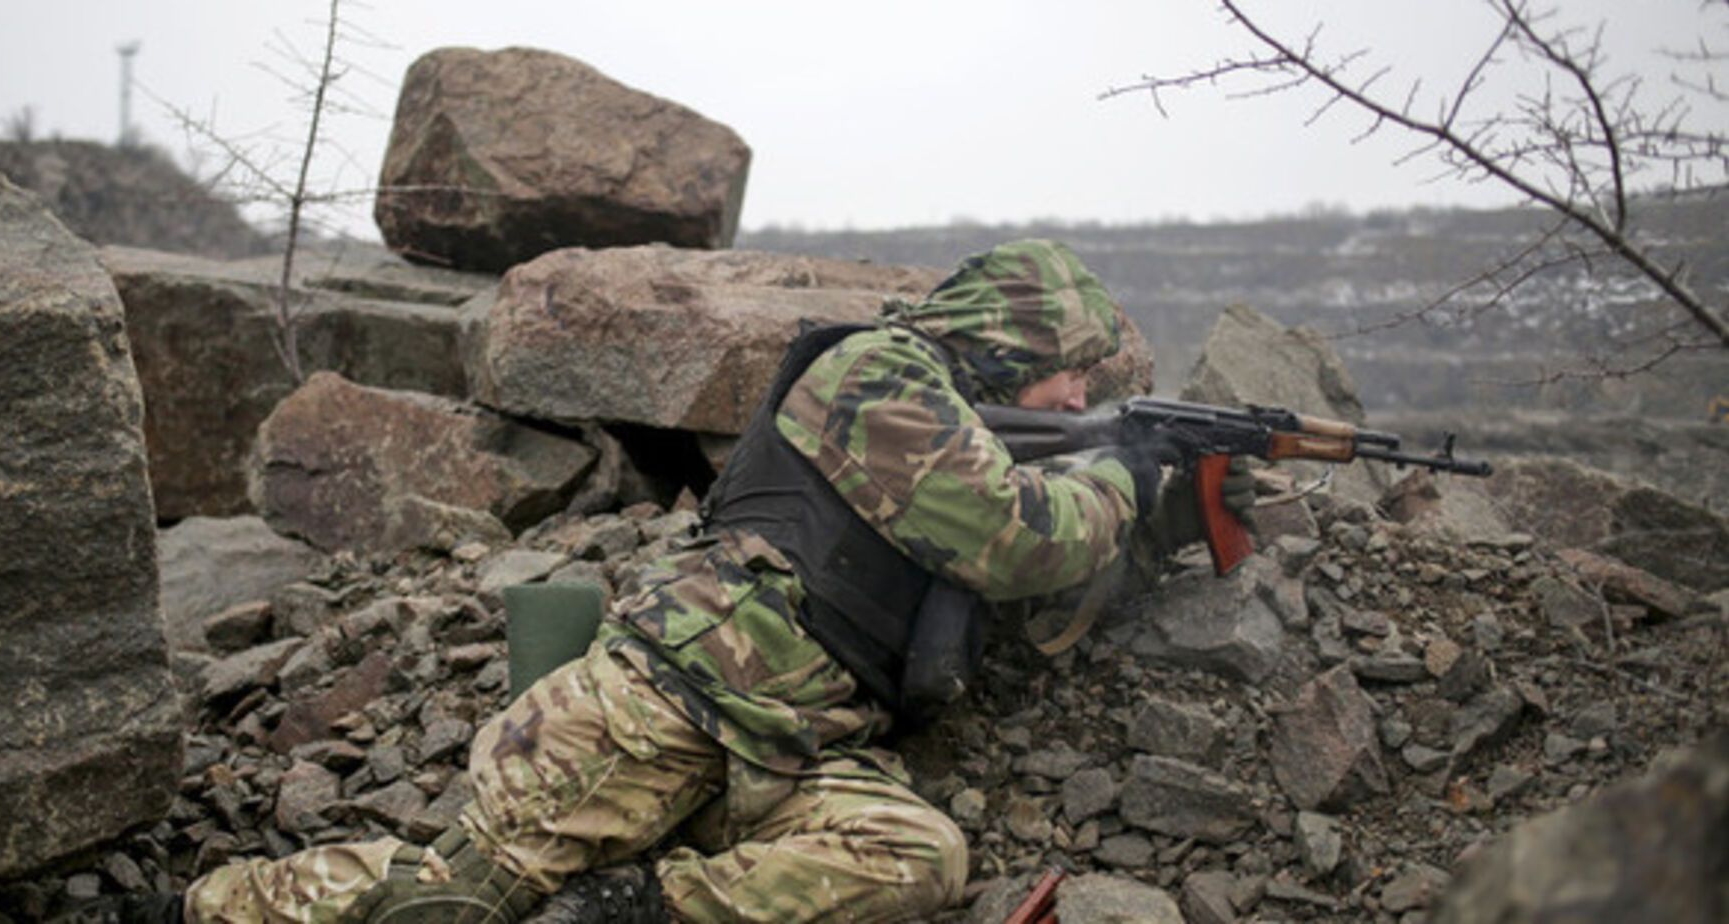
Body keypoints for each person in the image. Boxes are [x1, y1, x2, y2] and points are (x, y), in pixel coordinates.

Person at [86, 239, 1251, 923]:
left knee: (918, 858)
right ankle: (198, 909)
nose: (1070, 402)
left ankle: (636, 909)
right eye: (1065, 378)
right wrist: (1121, 479)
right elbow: (1011, 541)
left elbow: (1033, 598)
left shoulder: (976, 431)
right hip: (664, 704)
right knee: (452, 902)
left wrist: (1180, 503)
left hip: (795, 748)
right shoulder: (876, 374)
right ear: (1009, 351)